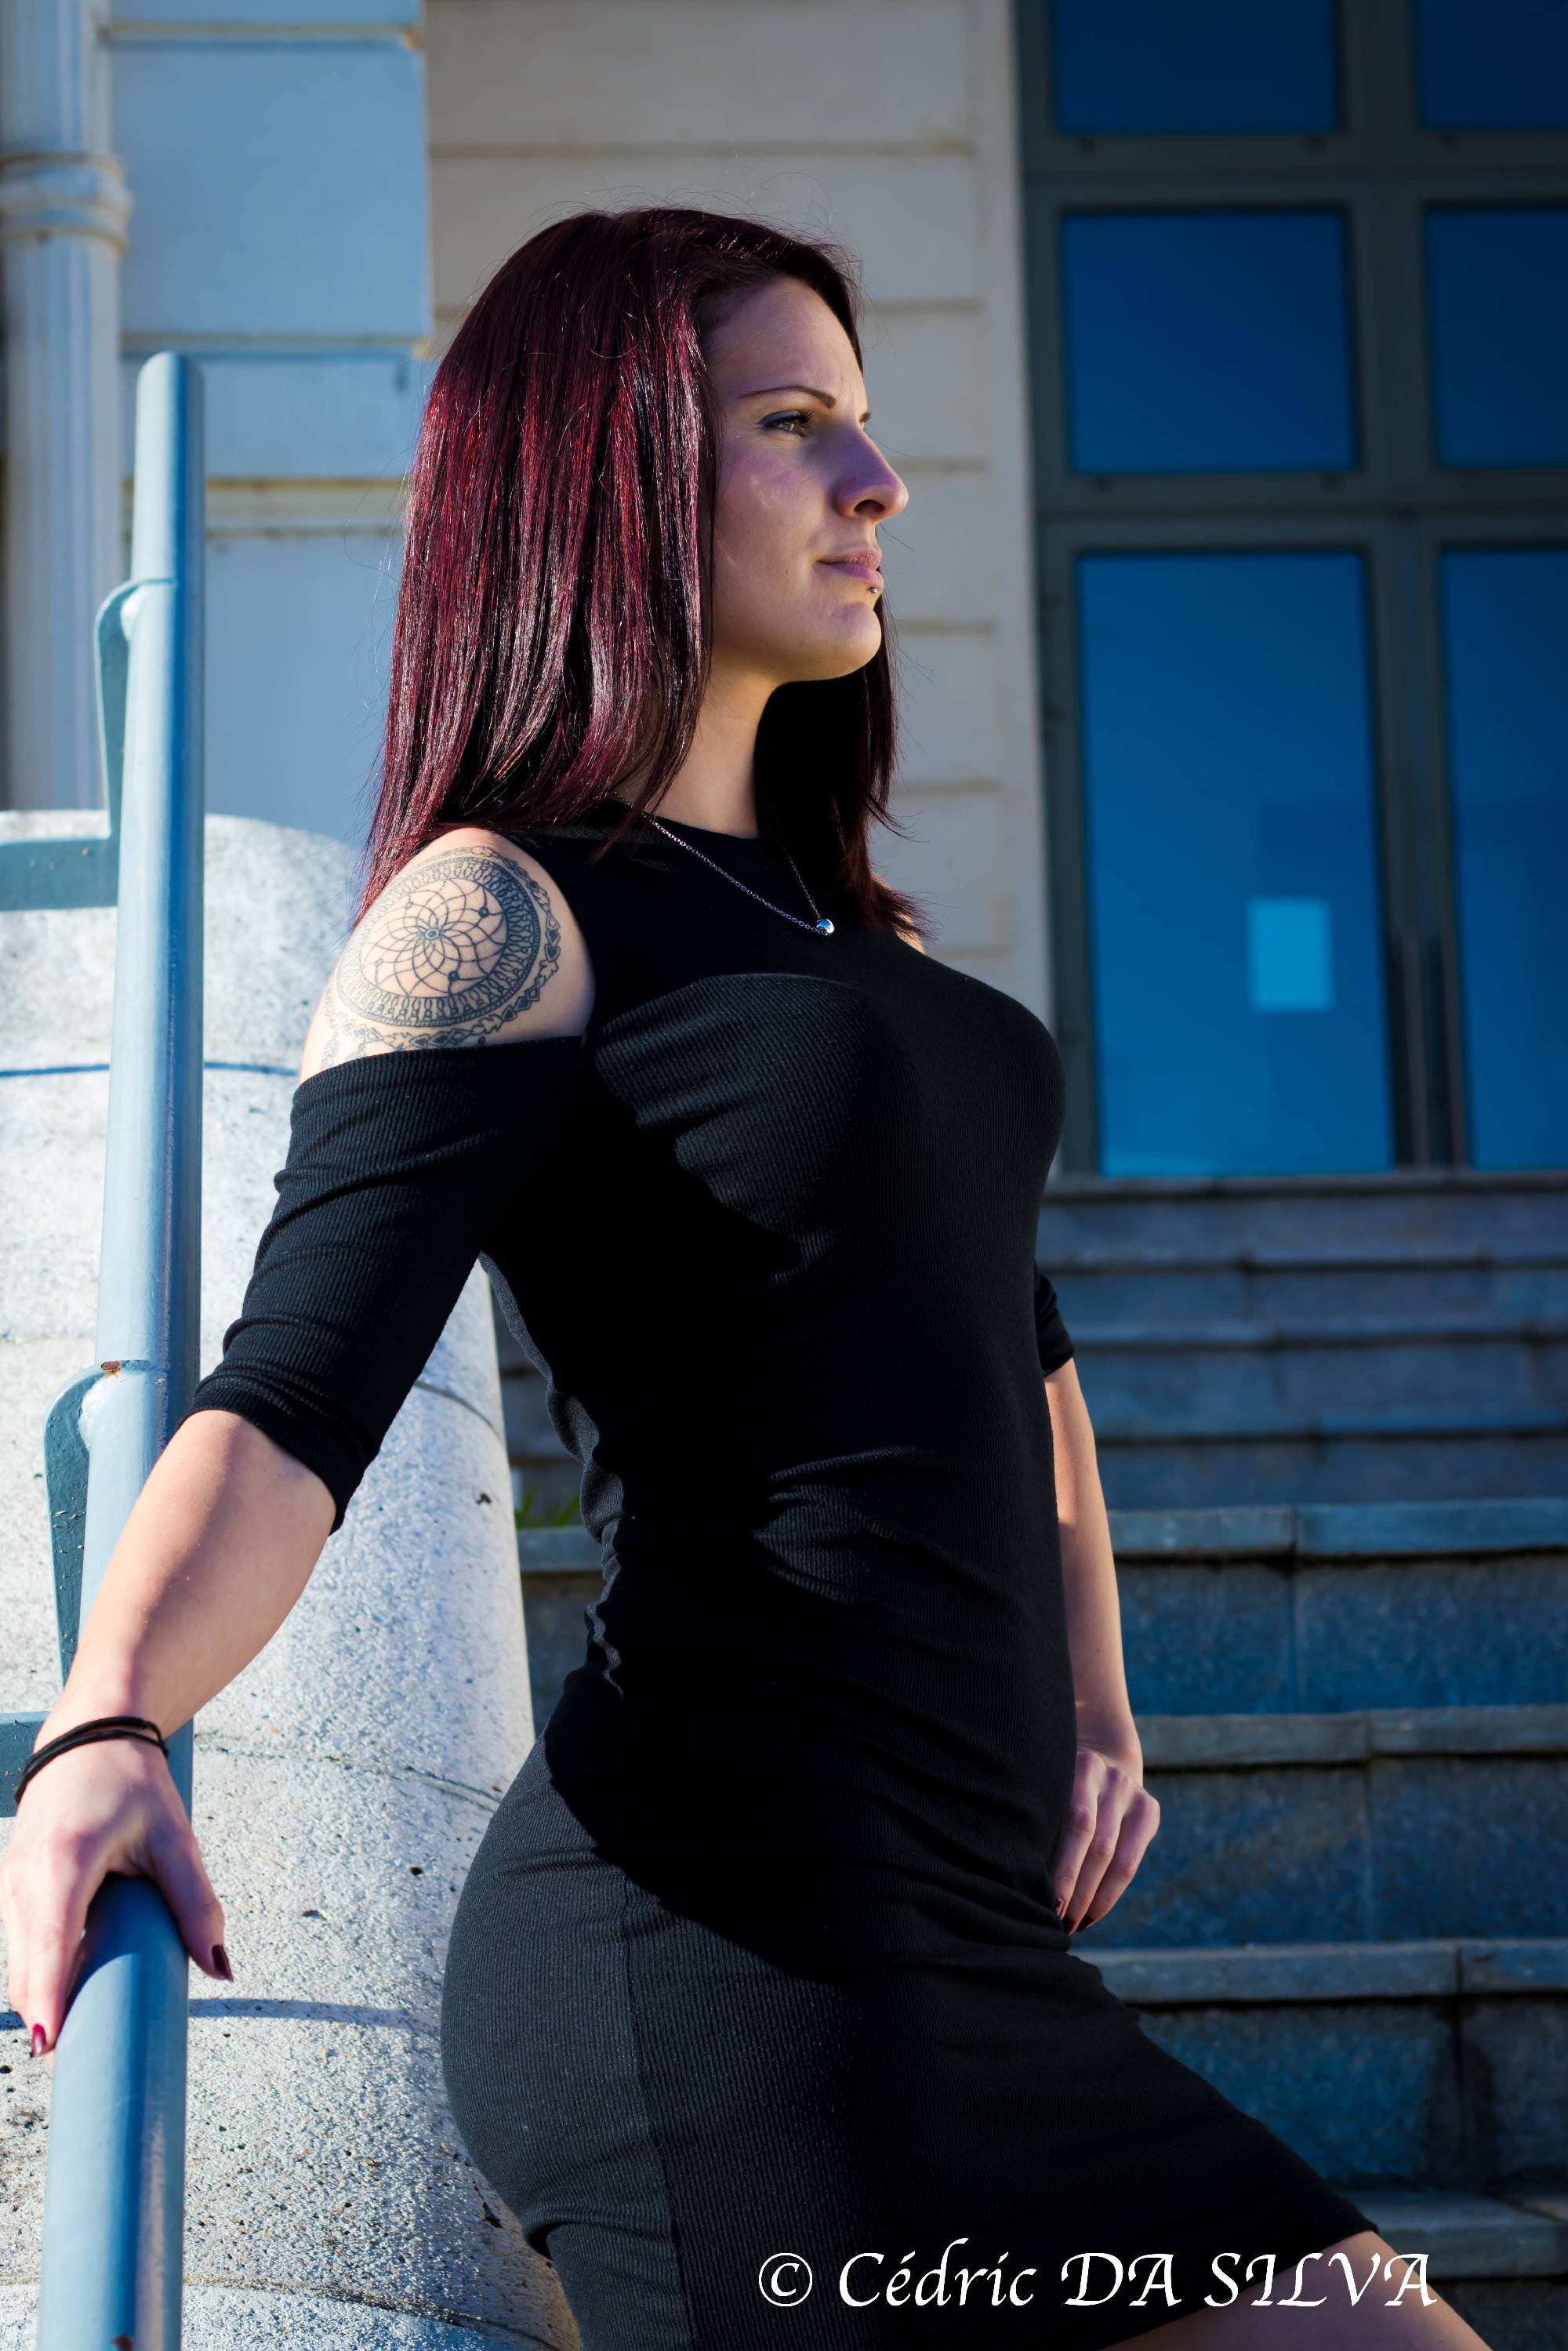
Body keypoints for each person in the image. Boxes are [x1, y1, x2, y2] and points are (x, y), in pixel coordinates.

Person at [1, 210, 1489, 2350]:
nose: (880, 484)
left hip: (978, 1957)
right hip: (730, 1971)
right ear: (603, 474)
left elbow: (1014, 1338)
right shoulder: (499, 915)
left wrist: (1098, 1698)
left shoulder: (844, 930)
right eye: (797, 426)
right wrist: (109, 1717)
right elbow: (297, 1392)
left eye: (862, 425)